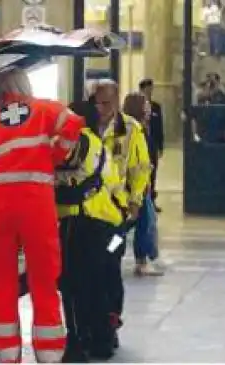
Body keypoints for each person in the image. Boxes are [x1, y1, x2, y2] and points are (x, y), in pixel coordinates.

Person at [0, 66, 84, 363]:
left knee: (2, 283)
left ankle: (7, 354)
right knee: (44, 279)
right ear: (25, 83)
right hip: (36, 204)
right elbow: (73, 124)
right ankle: (49, 355)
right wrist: (55, 154)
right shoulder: (43, 109)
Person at [57, 100, 128, 361]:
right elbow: (113, 183)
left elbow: (58, 167)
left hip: (78, 225)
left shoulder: (78, 141)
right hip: (108, 226)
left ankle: (77, 341)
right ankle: (104, 337)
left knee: (73, 286)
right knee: (103, 280)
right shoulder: (99, 146)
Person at [91, 79, 152, 347]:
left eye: (105, 103)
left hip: (117, 220)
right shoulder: (84, 127)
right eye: (96, 103)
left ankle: (111, 319)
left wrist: (135, 203)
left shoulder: (129, 129)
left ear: (116, 102)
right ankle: (91, 323)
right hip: (88, 216)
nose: (100, 109)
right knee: (87, 270)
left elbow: (140, 168)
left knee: (111, 264)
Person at [122, 92, 165, 276]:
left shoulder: (140, 128)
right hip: (136, 187)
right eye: (146, 105)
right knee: (139, 225)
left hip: (141, 185)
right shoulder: (133, 130)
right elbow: (136, 163)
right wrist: (137, 192)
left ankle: (146, 258)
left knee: (141, 224)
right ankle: (141, 260)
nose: (149, 109)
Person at [139, 79, 164, 213]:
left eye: (151, 89)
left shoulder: (156, 107)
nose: (150, 91)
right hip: (140, 142)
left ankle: (151, 201)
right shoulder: (136, 106)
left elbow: (159, 127)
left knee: (152, 172)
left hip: (152, 143)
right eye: (148, 89)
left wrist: (160, 146)